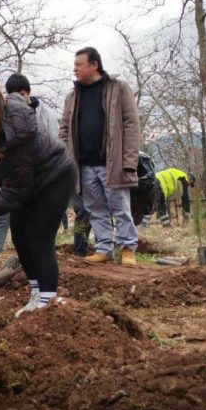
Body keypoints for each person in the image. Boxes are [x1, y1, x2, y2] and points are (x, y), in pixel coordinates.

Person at [0, 80, 76, 317]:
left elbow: (17, 190)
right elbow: (12, 173)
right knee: (19, 235)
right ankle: (37, 292)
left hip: (54, 179)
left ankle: (47, 299)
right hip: (31, 181)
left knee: (38, 236)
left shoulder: (17, 133)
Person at [59, 46, 141, 266]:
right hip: (83, 165)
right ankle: (104, 248)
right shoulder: (72, 96)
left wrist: (129, 160)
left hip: (112, 163)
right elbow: (64, 129)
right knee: (95, 210)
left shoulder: (118, 88)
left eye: (79, 65)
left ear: (94, 65)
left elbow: (131, 125)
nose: (74, 69)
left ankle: (127, 248)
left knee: (120, 208)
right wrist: (68, 159)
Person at [130, 151, 158, 227]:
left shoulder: (141, 158)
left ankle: (140, 230)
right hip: (140, 191)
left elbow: (148, 180)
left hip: (146, 190)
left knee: (142, 215)